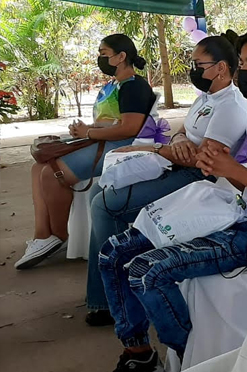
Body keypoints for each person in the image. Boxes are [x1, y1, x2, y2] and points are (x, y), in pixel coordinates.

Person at [88, 29, 247, 372]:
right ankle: (139, 355)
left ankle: (191, 363)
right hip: (235, 210)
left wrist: (232, 170)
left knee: (146, 271)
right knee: (113, 252)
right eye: (243, 62)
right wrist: (223, 168)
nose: (243, 71)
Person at [81, 34, 247, 327]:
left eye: (199, 64)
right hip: (175, 165)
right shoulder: (206, 97)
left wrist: (151, 148)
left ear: (221, 68)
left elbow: (204, 160)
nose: (193, 69)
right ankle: (113, 286)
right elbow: (183, 130)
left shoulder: (231, 106)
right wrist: (181, 139)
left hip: (199, 180)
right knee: (99, 188)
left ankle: (111, 301)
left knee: (104, 205)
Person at [15, 34, 156, 270]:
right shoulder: (115, 85)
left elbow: (128, 128)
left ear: (121, 57)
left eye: (104, 54)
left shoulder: (135, 86)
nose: (99, 58)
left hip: (122, 148)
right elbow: (111, 122)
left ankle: (59, 235)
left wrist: (89, 134)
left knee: (52, 173)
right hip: (106, 140)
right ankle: (42, 235)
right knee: (38, 167)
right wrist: (85, 129)